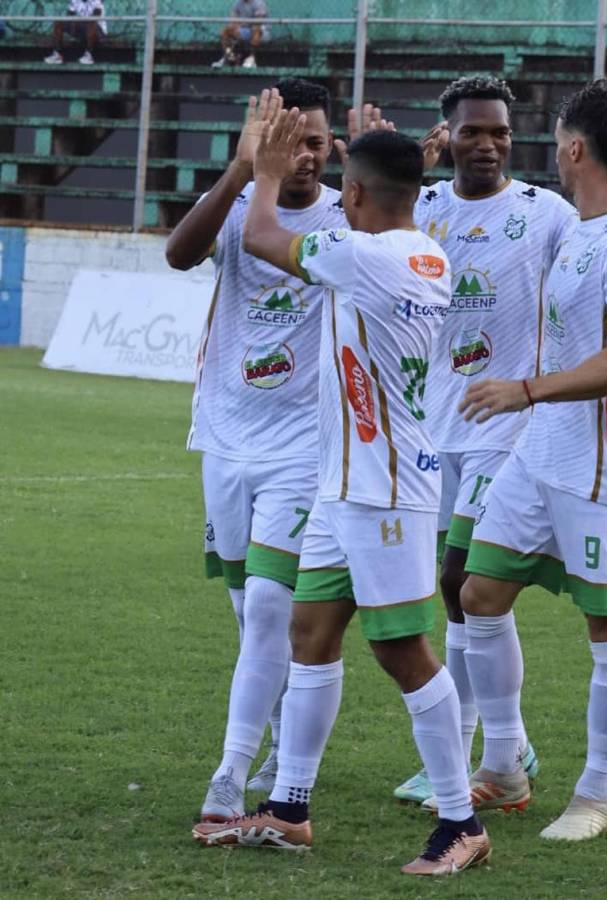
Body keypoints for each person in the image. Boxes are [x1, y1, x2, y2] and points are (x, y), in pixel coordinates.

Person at [193, 116, 492, 876]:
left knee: (401, 649)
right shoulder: (420, 251)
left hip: (385, 491)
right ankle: (290, 807)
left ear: (352, 194)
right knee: (311, 630)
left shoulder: (367, 257)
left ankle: (460, 822)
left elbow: (261, 237)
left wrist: (260, 169)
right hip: (345, 484)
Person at [456, 79, 607, 842]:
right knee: (479, 594)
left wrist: (527, 389)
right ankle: (506, 764)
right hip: (539, 457)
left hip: (599, 468)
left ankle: (595, 797)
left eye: (555, 138)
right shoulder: (577, 228)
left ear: (575, 148)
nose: (551, 148)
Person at [165, 79, 346, 822]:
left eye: (316, 142)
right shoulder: (240, 207)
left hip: (304, 447)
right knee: (249, 612)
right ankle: (275, 738)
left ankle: (230, 775)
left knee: (273, 606)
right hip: (227, 438)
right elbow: (179, 254)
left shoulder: (346, 218)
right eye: (290, 141)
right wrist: (244, 169)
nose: (304, 156)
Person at [393, 75, 576, 810]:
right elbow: (351, 221)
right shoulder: (422, 209)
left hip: (511, 424)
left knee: (463, 579)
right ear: (449, 135)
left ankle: (497, 753)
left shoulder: (544, 213)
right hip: (437, 423)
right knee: (449, 589)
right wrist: (411, 160)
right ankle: (499, 744)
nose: (489, 144)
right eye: (472, 131)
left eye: (499, 131)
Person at [44, 0, 107, 66]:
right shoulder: (75, 0)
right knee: (59, 23)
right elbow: (69, 15)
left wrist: (77, 21)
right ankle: (57, 54)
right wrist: (72, 22)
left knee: (91, 23)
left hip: (98, 32)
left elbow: (96, 15)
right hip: (84, 28)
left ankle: (89, 55)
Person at [212, 0, 269, 69]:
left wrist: (240, 24)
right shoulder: (238, 3)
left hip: (262, 33)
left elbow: (258, 22)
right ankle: (229, 56)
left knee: (256, 29)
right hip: (245, 30)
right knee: (226, 31)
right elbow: (233, 20)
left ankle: (251, 59)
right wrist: (236, 26)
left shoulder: (259, 3)